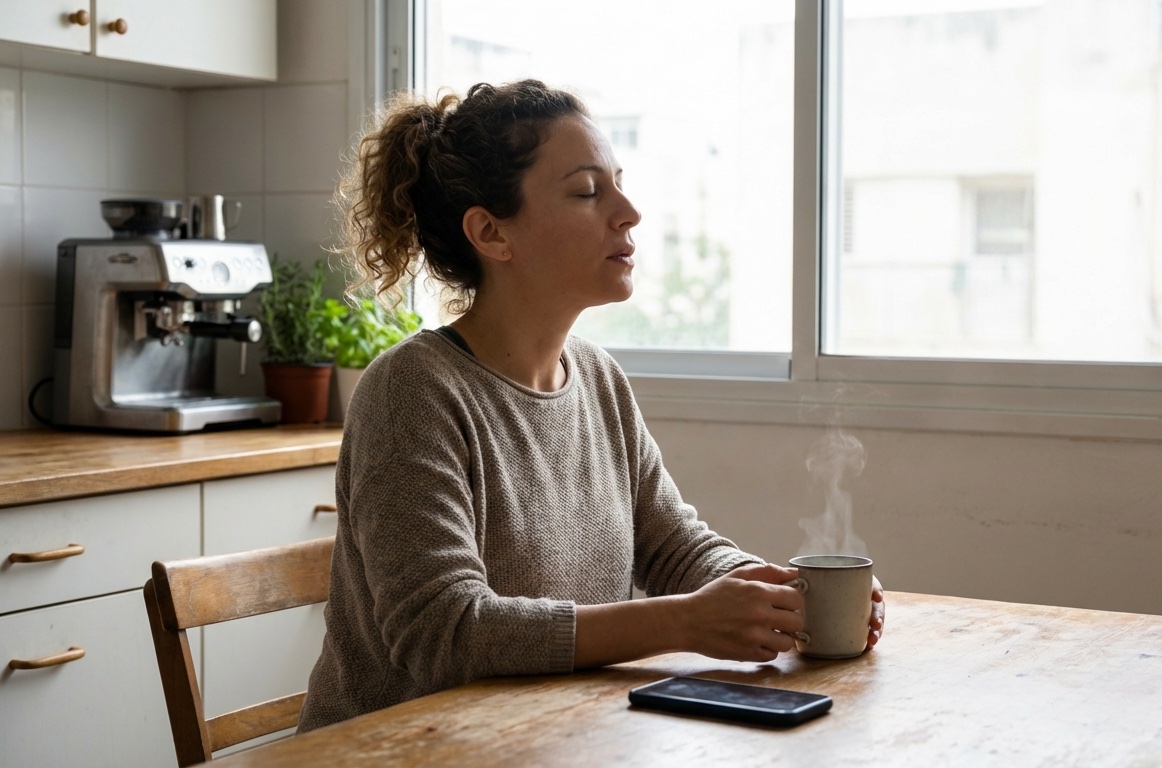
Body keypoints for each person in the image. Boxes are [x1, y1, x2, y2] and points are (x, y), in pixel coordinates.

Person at [298, 79, 885, 732]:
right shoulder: (412, 392)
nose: (628, 211)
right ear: (491, 233)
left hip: (548, 739)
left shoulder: (599, 380)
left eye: (619, 183)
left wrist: (778, 595)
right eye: (586, 191)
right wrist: (685, 622)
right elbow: (444, 635)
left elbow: (675, 550)